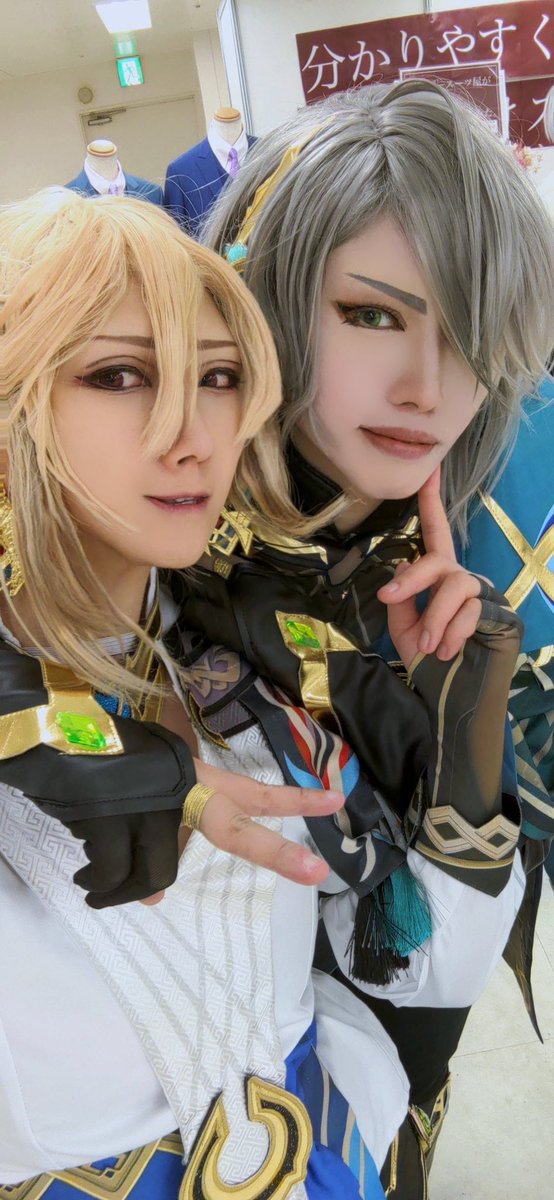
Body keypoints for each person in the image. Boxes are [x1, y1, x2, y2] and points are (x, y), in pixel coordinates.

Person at [0, 188, 410, 1200]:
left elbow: (392, 960)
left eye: (219, 377)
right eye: (119, 374)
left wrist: (458, 762)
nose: (192, 435)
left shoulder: (267, 657)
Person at [187, 78, 552, 1194]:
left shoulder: (444, 567)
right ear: (259, 298)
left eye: (470, 336)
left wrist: (464, 750)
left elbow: (425, 1000)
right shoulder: (140, 549)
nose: (428, 387)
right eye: (372, 314)